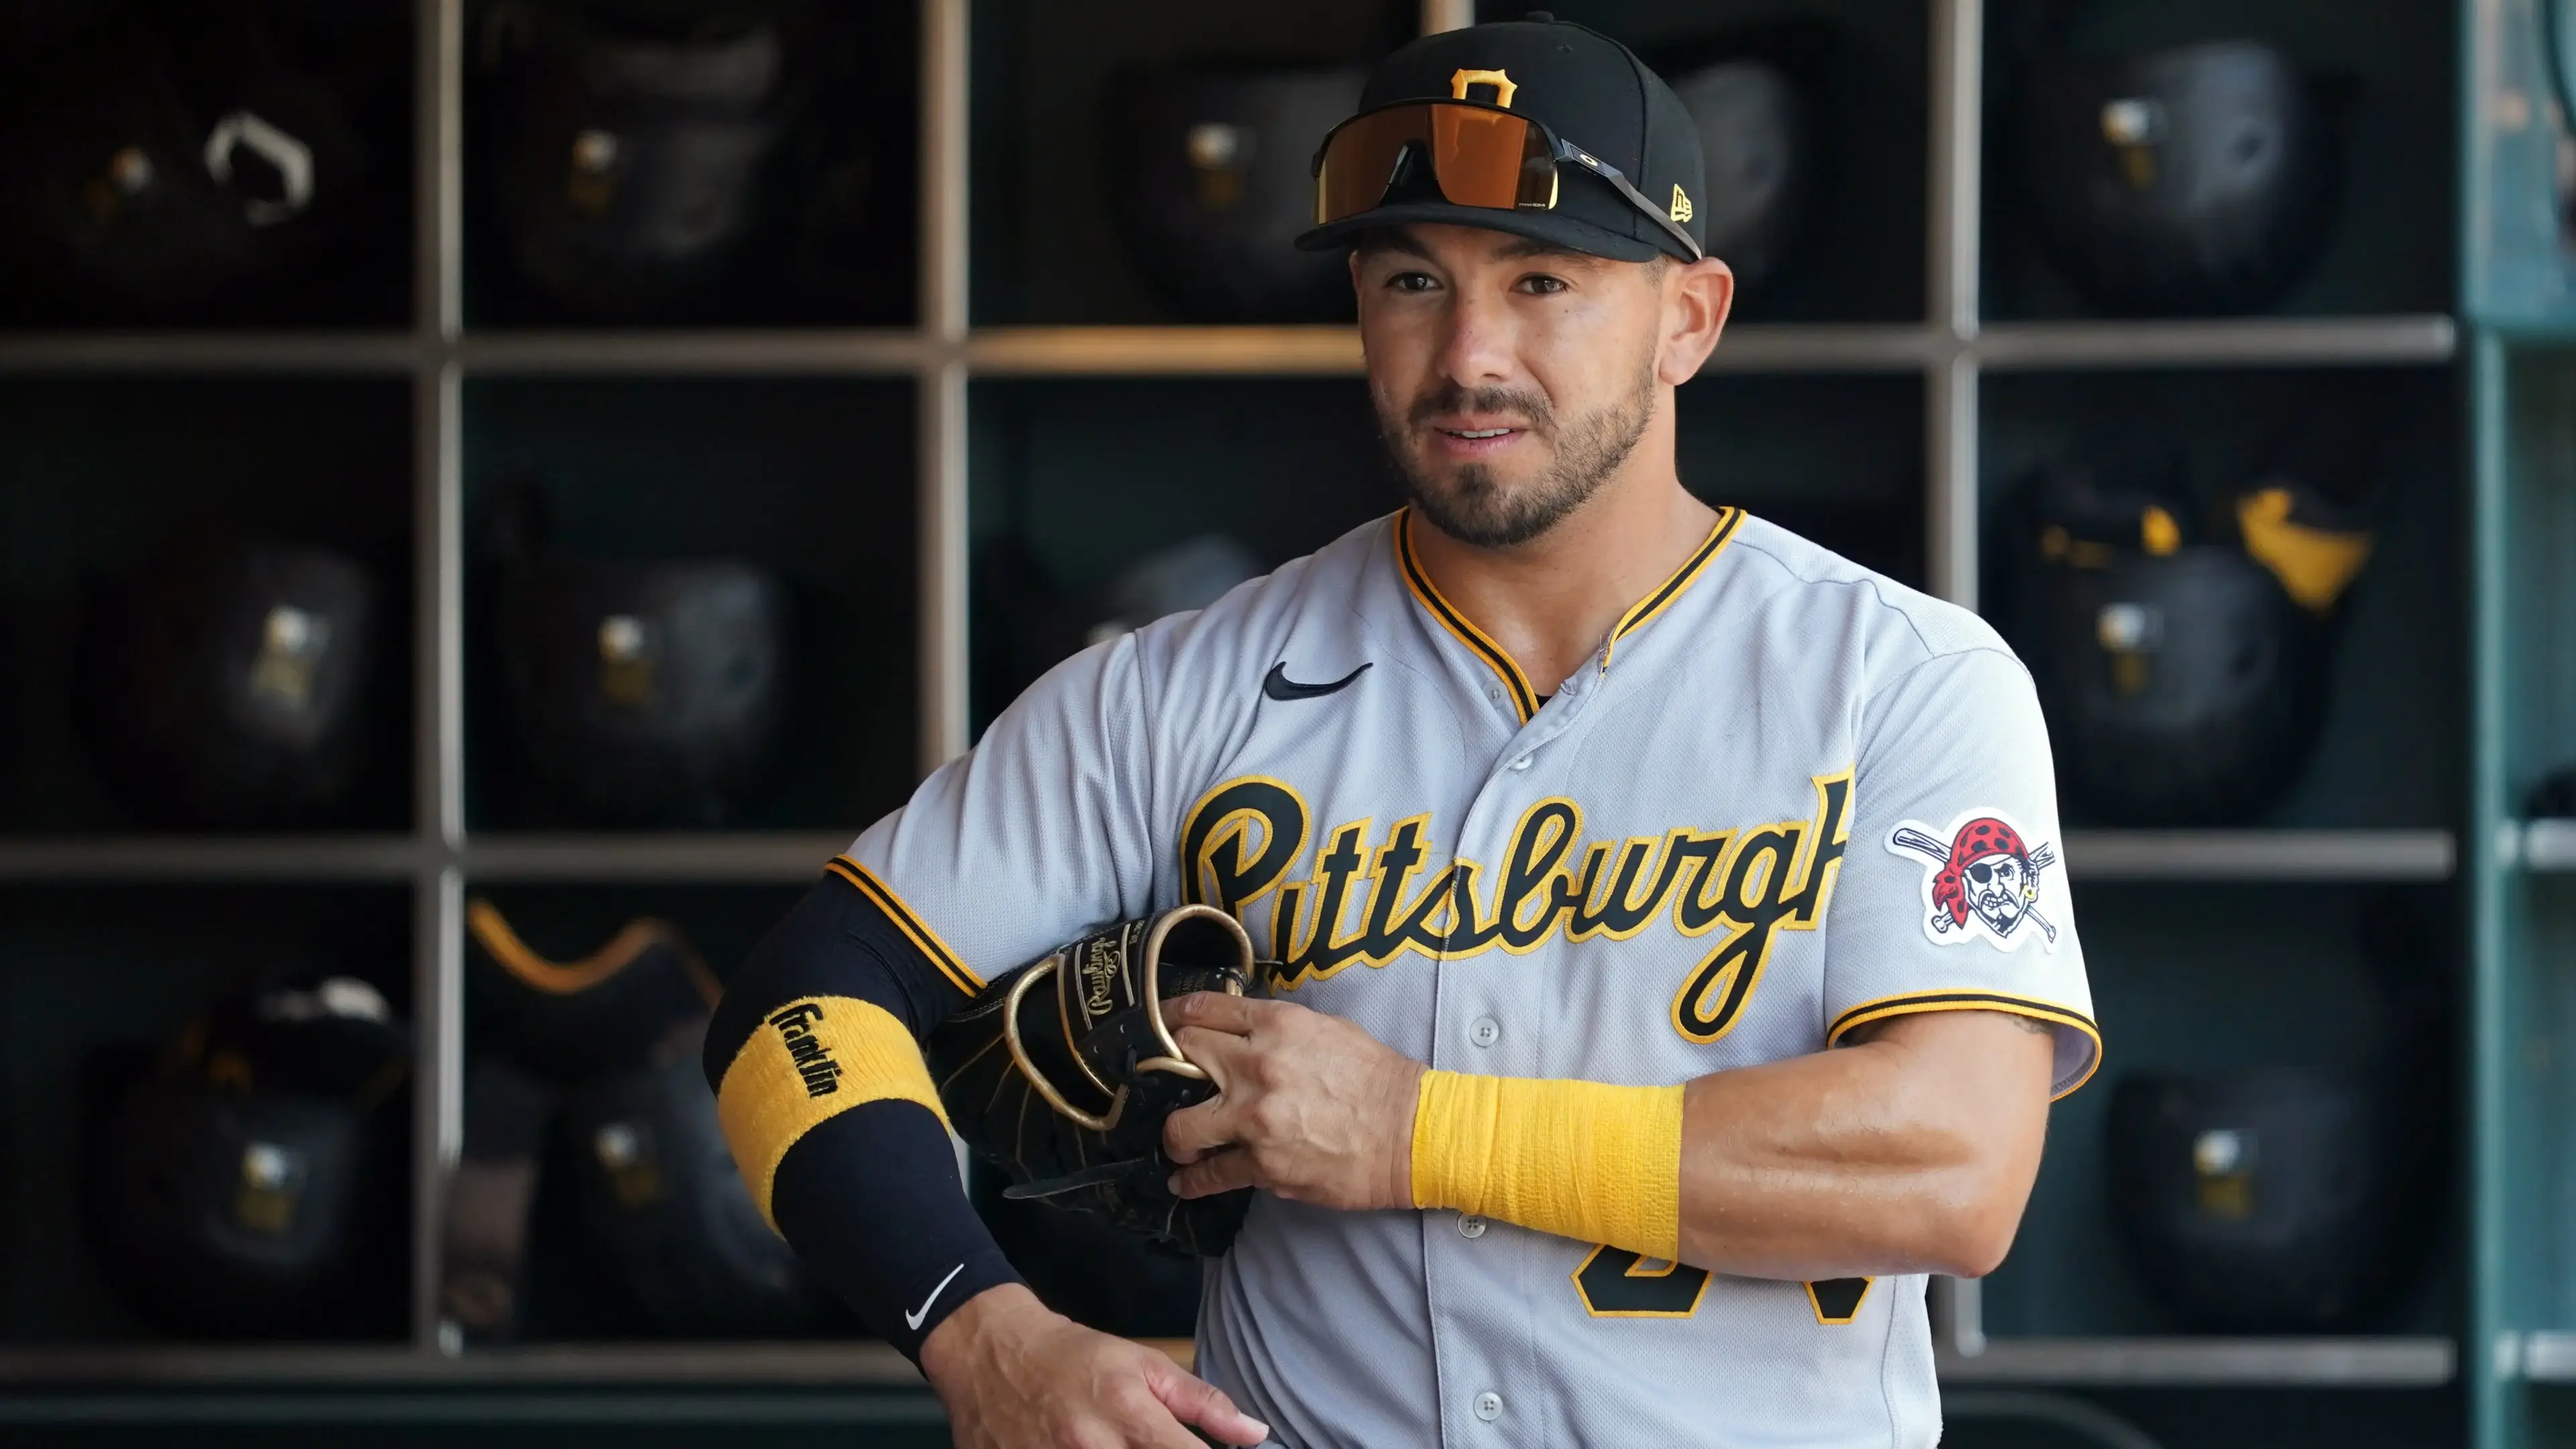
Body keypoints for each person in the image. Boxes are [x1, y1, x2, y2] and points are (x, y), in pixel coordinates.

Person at [704, 14, 2098, 1448]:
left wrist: (1419, 1132)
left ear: (1690, 318)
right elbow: (800, 1001)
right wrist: (983, 1336)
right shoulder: (1183, 690)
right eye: (1413, 280)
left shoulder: (1900, 679)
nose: (1469, 354)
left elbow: (1958, 1169)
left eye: (1544, 280)